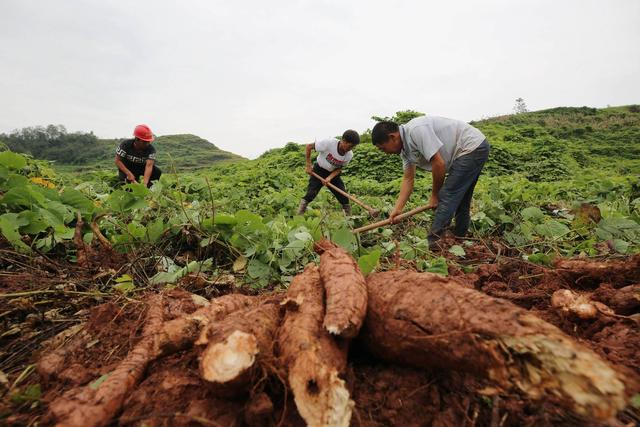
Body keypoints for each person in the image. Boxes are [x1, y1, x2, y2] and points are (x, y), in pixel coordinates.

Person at [371, 116, 490, 249]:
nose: (385, 153)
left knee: (447, 195)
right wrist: (397, 209)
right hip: (471, 148)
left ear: (393, 137)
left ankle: (434, 244)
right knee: (461, 198)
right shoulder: (405, 151)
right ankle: (459, 238)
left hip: (471, 146)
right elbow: (408, 179)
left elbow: (439, 164)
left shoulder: (416, 130)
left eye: (383, 148)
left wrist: (435, 195)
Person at [297, 130, 360, 215]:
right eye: (350, 146)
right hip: (319, 170)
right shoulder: (328, 143)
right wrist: (308, 165)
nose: (350, 149)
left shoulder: (349, 155)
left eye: (353, 147)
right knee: (311, 194)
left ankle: (349, 217)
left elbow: (339, 169)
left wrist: (329, 178)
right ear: (343, 141)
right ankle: (299, 214)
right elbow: (308, 147)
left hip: (333, 174)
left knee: (343, 196)